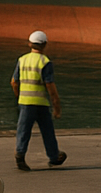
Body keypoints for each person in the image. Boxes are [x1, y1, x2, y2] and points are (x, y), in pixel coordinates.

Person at [11, 30, 67, 171]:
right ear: (45, 45)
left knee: (23, 130)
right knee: (47, 130)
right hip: (40, 103)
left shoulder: (22, 60)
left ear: (30, 43)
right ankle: (54, 156)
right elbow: (50, 87)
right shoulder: (45, 62)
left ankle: (20, 155)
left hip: (25, 103)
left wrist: (19, 97)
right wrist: (57, 106)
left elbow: (14, 82)